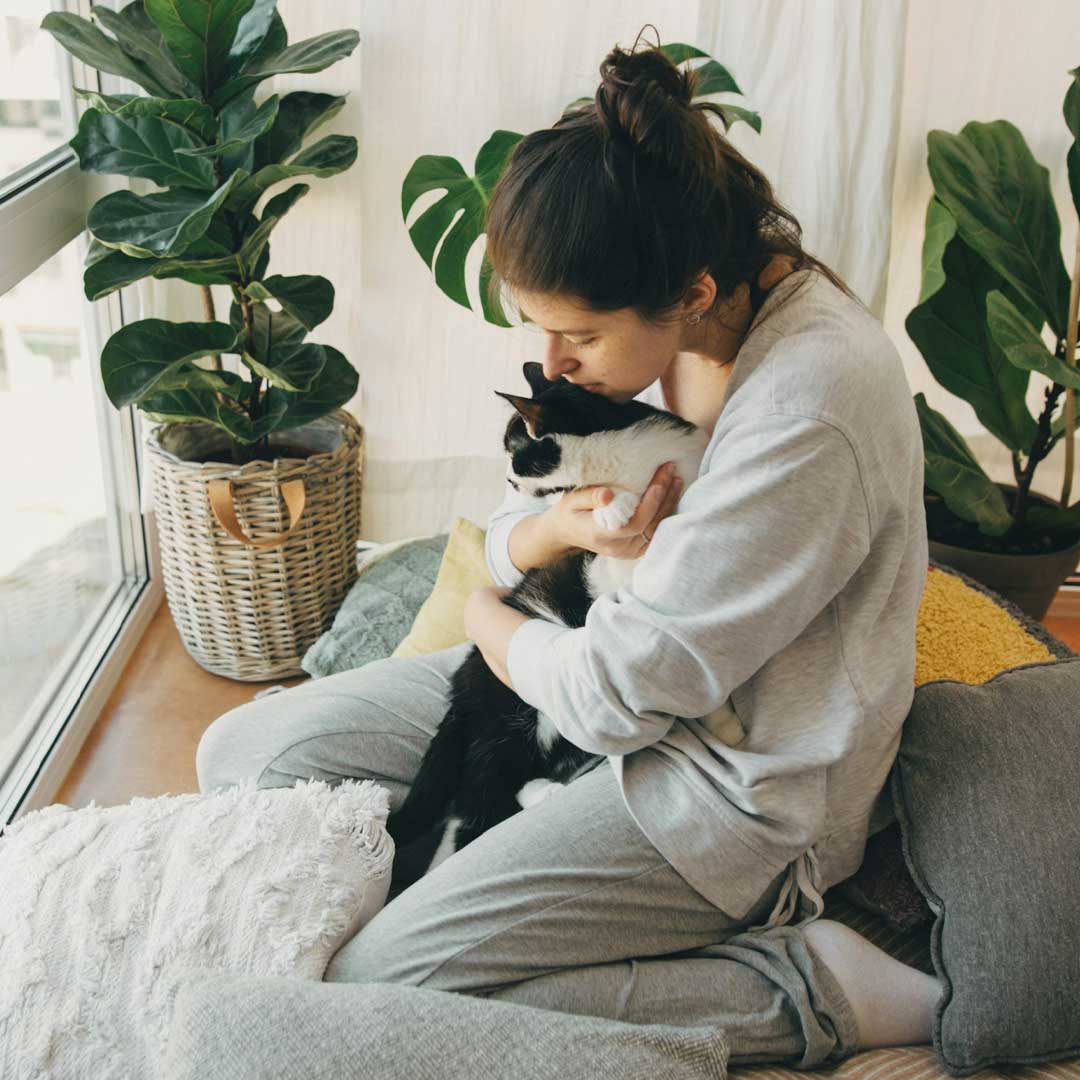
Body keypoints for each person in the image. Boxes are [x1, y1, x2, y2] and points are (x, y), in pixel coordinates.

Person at [194, 34, 942, 1069]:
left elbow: (619, 694)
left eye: (576, 340)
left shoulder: (807, 412)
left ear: (689, 291)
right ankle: (469, 896)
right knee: (244, 752)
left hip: (730, 789)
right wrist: (554, 532)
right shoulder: (668, 330)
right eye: (538, 330)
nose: (550, 364)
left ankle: (807, 988)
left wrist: (491, 622)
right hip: (577, 672)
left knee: (379, 985)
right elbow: (515, 518)